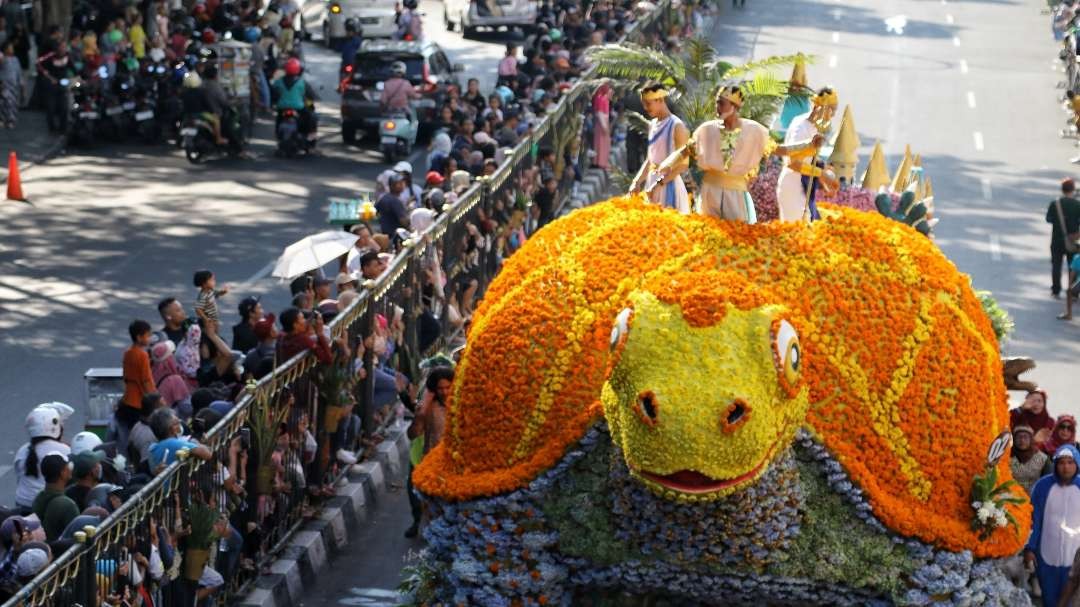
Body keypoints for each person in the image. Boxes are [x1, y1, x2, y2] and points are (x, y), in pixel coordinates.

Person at [651, 85, 820, 223]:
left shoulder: (753, 131)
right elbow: (685, 150)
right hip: (710, 192)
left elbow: (780, 149)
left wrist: (808, 144)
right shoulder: (707, 129)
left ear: (735, 107)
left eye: (722, 103)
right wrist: (668, 163)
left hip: (735, 195)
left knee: (737, 237)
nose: (718, 107)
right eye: (717, 102)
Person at [776, 86, 841, 223]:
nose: (833, 115)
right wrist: (822, 174)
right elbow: (793, 164)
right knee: (797, 236)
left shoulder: (813, 127)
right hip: (792, 187)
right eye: (831, 109)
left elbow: (810, 161)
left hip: (803, 188)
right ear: (819, 107)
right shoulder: (800, 128)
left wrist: (824, 181)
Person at [1026, 445, 1080, 607]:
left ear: (1077, 464)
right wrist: (1030, 548)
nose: (1066, 467)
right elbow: (1033, 520)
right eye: (1061, 463)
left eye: (1070, 462)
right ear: (1055, 464)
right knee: (1049, 600)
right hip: (1047, 555)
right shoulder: (1042, 486)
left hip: (1075, 558)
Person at [405, 366, 454, 538]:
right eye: (440, 388)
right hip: (432, 462)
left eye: (448, 387)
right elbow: (412, 434)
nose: (445, 392)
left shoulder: (460, 403)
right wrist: (420, 415)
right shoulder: (429, 408)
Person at [628, 82, 690, 213]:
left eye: (648, 103)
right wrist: (637, 182)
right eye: (644, 103)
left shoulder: (677, 126)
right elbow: (650, 160)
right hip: (652, 183)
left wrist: (659, 184)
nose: (645, 107)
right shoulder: (653, 124)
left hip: (668, 184)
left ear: (660, 100)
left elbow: (683, 164)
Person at [13, 403, 73, 510]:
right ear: (54, 427)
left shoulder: (22, 450)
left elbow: (20, 479)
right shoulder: (64, 450)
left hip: (21, 505)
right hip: (47, 506)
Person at [118, 320, 156, 455]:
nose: (150, 338)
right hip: (139, 403)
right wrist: (155, 399)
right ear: (139, 337)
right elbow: (146, 380)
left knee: (129, 435)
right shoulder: (142, 355)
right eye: (148, 335)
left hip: (127, 400)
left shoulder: (128, 353)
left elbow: (125, 376)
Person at [31, 454, 79, 542]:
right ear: (62, 473)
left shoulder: (38, 498)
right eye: (67, 467)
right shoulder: (67, 505)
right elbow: (78, 536)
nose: (70, 469)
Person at [1047, 178, 1080, 301]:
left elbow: (1048, 219)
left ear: (1062, 189)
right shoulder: (1077, 205)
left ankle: (1056, 290)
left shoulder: (1055, 204)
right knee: (1073, 267)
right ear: (1072, 189)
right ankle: (1073, 292)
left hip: (1056, 240)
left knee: (1056, 265)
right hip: (1073, 241)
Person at [271, 56, 318, 139]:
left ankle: (277, 133)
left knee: (279, 117)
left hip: (282, 107)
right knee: (311, 116)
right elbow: (311, 95)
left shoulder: (279, 81)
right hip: (298, 107)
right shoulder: (302, 82)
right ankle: (311, 135)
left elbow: (273, 92)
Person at [180, 71, 227, 145]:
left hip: (188, 115)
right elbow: (209, 104)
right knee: (216, 120)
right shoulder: (202, 91)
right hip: (201, 114)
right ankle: (218, 138)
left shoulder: (184, 92)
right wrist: (214, 111)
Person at [1011, 426, 1050, 495]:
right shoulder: (1007, 457)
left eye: (1025, 437)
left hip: (1035, 498)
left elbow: (1047, 482)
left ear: (1031, 439)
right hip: (1010, 498)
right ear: (1014, 439)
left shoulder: (1043, 459)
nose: (1022, 440)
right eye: (1019, 437)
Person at [591, 81, 612, 170]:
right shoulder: (600, 98)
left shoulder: (604, 98)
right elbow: (599, 113)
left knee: (604, 143)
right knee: (600, 143)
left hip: (604, 121)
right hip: (601, 123)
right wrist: (604, 126)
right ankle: (599, 162)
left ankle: (603, 161)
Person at [0, 41, 21, 129]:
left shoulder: (15, 59)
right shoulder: (2, 58)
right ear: (5, 49)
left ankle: (10, 120)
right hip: (3, 84)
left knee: (12, 104)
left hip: (14, 85)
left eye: (12, 47)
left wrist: (22, 85)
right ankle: (1, 120)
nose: (12, 49)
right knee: (3, 103)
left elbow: (18, 72)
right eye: (10, 47)